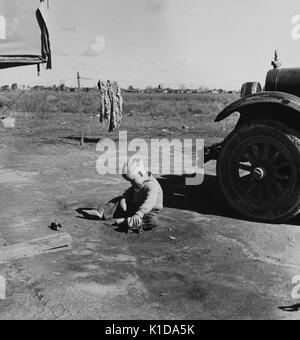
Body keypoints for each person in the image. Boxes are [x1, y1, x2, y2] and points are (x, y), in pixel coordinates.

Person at [82, 158, 163, 233]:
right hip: (134, 207)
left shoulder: (152, 185)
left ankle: (130, 223)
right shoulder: (138, 183)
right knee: (118, 200)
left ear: (141, 173)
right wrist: (124, 198)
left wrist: (139, 214)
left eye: (132, 181)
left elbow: (150, 202)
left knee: (153, 220)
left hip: (148, 211)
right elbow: (129, 191)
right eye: (130, 182)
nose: (132, 184)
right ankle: (102, 212)